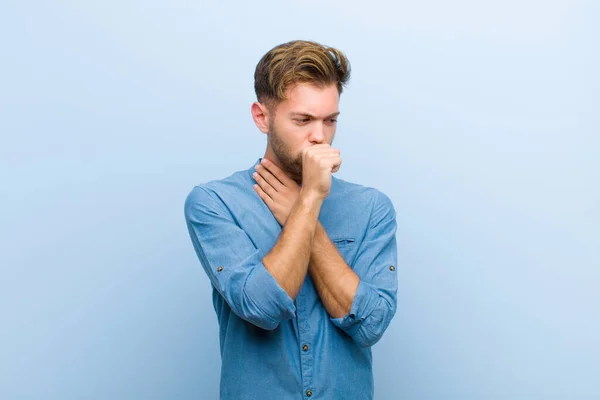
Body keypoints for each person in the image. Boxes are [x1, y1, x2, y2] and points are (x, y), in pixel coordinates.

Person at [184, 39, 398, 400]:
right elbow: (263, 307)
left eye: (330, 120)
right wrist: (311, 197)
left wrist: (304, 211)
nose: (319, 136)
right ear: (261, 117)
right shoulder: (214, 203)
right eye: (302, 120)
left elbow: (371, 323)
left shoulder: (371, 208)